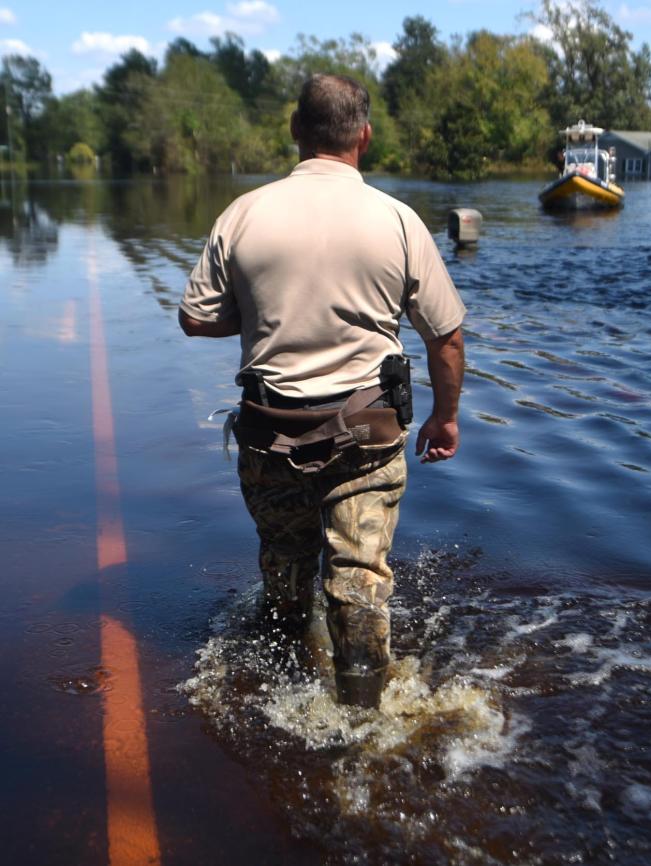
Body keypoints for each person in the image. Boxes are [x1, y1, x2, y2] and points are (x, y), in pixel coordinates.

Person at [178, 73, 466, 709]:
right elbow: (445, 336)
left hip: (269, 432)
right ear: (365, 135)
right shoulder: (397, 220)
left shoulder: (243, 214)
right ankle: (362, 718)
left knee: (284, 568)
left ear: (294, 129)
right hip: (365, 436)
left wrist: (255, 316)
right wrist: (446, 420)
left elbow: (195, 318)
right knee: (359, 580)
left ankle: (282, 685)